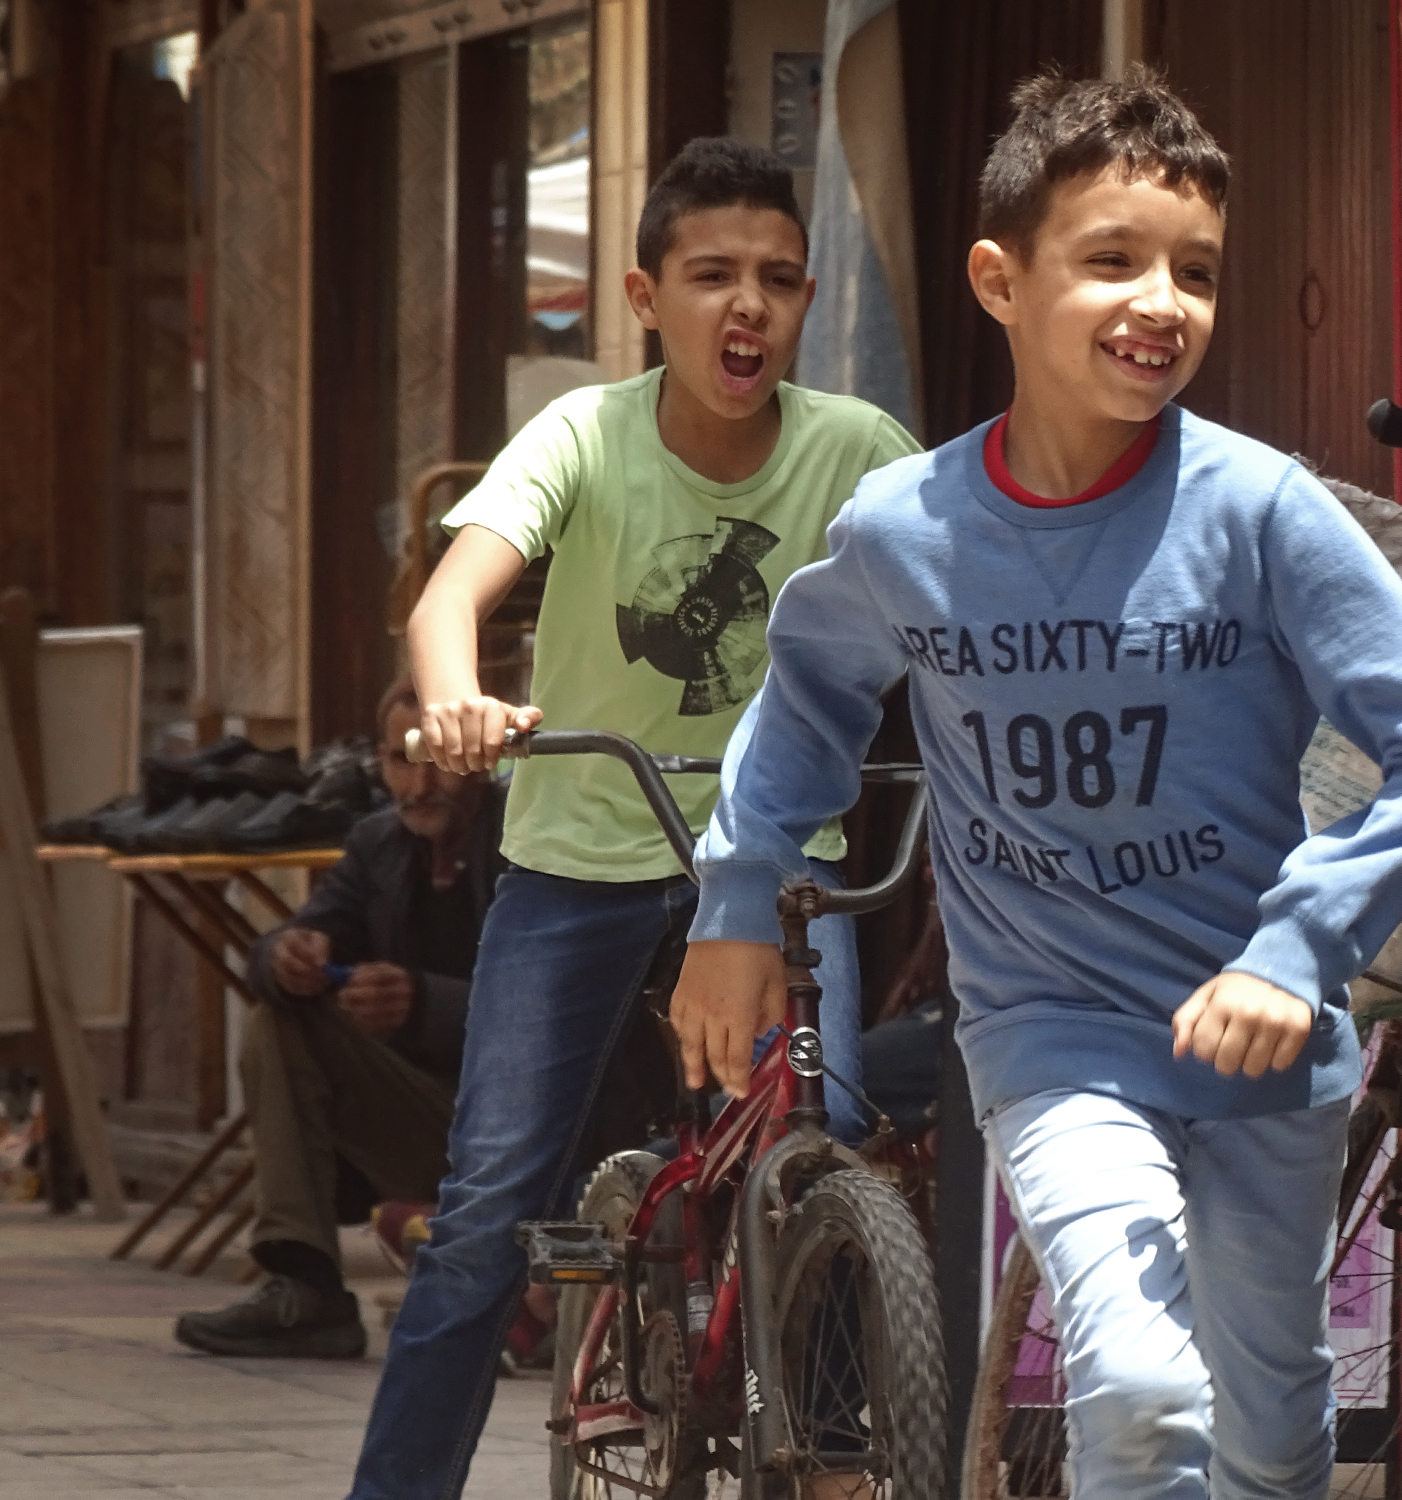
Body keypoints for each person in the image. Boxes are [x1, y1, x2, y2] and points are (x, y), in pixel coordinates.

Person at [672, 69, 1402, 1500]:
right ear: (999, 280)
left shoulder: (1261, 511)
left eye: (1196, 271)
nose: (1160, 303)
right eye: (1112, 260)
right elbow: (804, 697)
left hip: (1266, 1045)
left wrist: (1296, 953)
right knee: (1144, 1389)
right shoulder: (906, 530)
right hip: (1051, 1035)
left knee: (1273, 1428)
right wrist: (735, 904)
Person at [345, 137, 919, 1500]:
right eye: (712, 275)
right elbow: (448, 598)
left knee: (821, 1149)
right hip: (579, 859)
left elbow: (963, 589)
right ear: (645, 296)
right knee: (486, 1209)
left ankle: (831, 1458)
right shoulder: (582, 436)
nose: (748, 305)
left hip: (776, 868)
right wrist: (455, 701)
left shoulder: (858, 449)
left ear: (807, 298)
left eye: (778, 278)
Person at [172, 677, 503, 1359]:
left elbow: (558, 1008)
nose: (419, 784)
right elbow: (290, 942)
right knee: (279, 1018)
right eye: (402, 760)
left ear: (478, 757)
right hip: (415, 1120)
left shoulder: (523, 842)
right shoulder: (379, 843)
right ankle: (305, 1283)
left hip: (517, 1127)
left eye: (437, 760)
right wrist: (287, 957)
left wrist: (425, 1004)